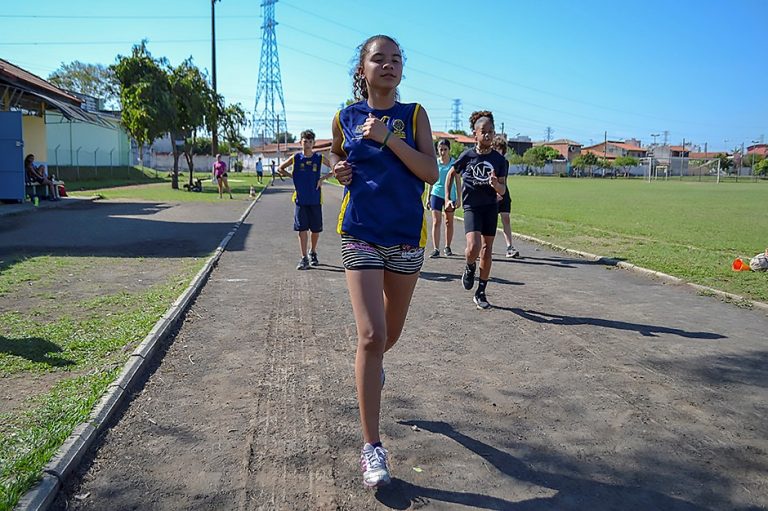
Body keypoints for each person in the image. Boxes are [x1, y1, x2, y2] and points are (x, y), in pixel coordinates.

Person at [330, 34, 438, 488]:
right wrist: (339, 169)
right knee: (371, 335)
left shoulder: (413, 116)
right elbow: (338, 153)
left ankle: (373, 369)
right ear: (363, 69)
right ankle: (372, 447)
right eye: (379, 59)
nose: (388, 65)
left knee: (389, 335)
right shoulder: (344, 116)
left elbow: (431, 172)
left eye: (396, 59)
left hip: (406, 238)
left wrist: (389, 138)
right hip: (361, 232)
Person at [445, 110, 507, 310]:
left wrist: (496, 184)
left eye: (491, 131)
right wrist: (449, 198)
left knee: (487, 250)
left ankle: (481, 291)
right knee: (473, 247)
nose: (488, 135)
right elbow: (450, 174)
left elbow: (503, 189)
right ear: (475, 134)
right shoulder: (467, 156)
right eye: (484, 131)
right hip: (472, 207)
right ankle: (470, 266)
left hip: (490, 207)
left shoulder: (500, 160)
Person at [277, 129, 333, 270]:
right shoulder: (296, 158)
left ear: (313, 143)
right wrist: (291, 176)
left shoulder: (319, 158)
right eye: (305, 141)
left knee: (315, 229)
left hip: (315, 199)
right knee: (302, 229)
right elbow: (280, 168)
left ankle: (312, 251)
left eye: (309, 141)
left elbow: (334, 168)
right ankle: (303, 258)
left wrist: (323, 179)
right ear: (300, 142)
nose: (307, 143)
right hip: (301, 200)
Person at [426, 139, 457, 258]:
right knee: (436, 221)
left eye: (445, 149)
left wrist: (459, 198)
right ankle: (436, 248)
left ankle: (447, 246)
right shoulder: (435, 162)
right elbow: (431, 180)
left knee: (449, 222)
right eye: (440, 149)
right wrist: (428, 198)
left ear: (449, 150)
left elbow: (458, 181)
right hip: (436, 193)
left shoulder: (453, 163)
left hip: (450, 195)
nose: (443, 152)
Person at [492, 136, 520, 258]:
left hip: (504, 193)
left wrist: (502, 193)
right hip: (491, 195)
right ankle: (485, 247)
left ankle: (509, 247)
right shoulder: (490, 162)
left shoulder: (505, 162)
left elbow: (504, 180)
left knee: (506, 219)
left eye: (501, 149)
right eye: (497, 148)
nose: (499, 151)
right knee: (490, 222)